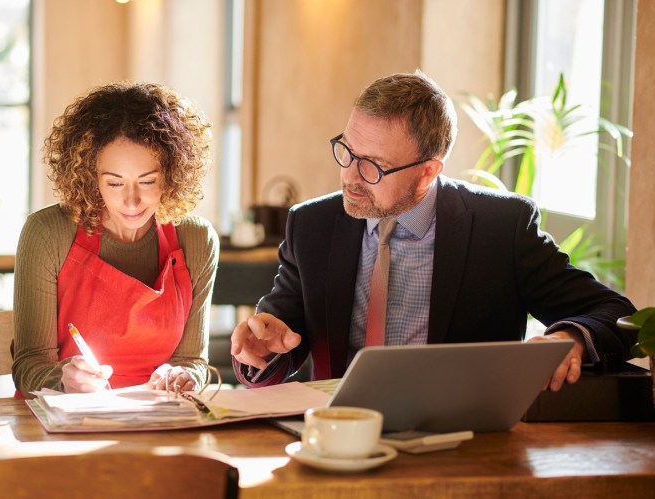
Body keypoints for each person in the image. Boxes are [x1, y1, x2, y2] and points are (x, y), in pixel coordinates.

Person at [231, 70, 637, 391]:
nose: (350, 177)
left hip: (463, 442)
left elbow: (617, 316)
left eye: (372, 165)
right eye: (347, 151)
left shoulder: (499, 229)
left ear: (428, 172)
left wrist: (572, 337)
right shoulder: (313, 225)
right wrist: (260, 350)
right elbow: (277, 338)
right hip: (338, 440)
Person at [12, 82, 218, 398]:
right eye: (115, 183)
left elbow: (192, 360)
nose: (132, 201)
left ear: (172, 175)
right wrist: (62, 379)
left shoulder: (196, 239)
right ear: (91, 178)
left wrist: (185, 375)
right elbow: (27, 367)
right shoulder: (48, 233)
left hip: (161, 421)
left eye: (147, 181)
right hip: (67, 422)